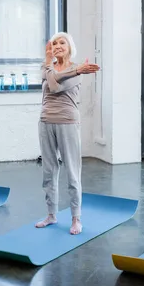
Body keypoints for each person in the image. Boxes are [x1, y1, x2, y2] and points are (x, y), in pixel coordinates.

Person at [35, 32, 100, 235]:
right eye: (54, 43)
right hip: (46, 121)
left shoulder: (77, 69)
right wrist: (47, 63)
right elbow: (47, 78)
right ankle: (51, 215)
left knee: (72, 171)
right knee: (49, 171)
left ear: (70, 46)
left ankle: (75, 218)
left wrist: (57, 70)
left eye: (62, 42)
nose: (57, 46)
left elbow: (53, 86)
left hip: (68, 121)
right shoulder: (49, 67)